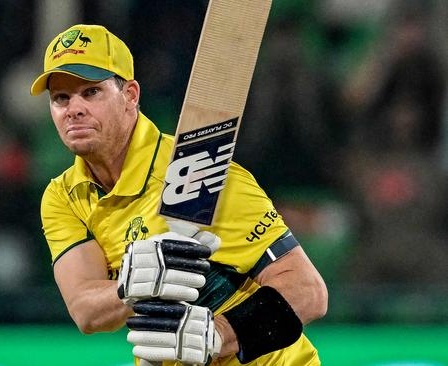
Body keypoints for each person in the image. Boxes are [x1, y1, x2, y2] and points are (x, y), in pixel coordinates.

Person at [31, 24, 328, 366]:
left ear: (130, 95)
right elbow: (86, 311)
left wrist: (217, 334)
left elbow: (309, 293)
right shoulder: (64, 196)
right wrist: (134, 285)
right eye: (61, 98)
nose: (74, 108)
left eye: (91, 92)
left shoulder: (200, 171)